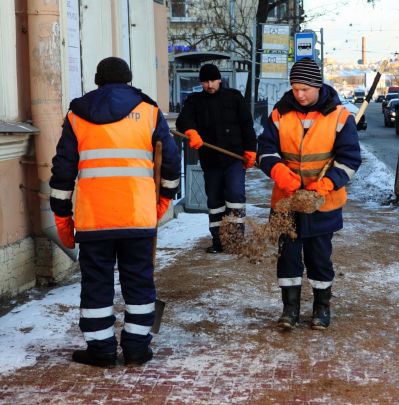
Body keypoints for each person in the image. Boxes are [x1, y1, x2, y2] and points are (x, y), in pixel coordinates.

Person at [49, 57, 181, 367]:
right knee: (139, 283)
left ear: (97, 80)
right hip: (137, 216)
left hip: (94, 220)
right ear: (129, 79)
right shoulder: (149, 112)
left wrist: (62, 216)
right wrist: (162, 202)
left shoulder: (78, 115)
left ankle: (102, 350)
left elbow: (62, 172)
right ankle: (137, 349)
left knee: (96, 285)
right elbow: (171, 163)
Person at [257, 58, 362, 330]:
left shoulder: (340, 117)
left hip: (322, 204)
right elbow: (266, 150)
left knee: (318, 258)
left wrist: (327, 184)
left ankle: (321, 308)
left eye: (304, 89)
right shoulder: (280, 114)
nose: (299, 95)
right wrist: (278, 171)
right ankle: (289, 310)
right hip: (286, 203)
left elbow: (349, 160)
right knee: (288, 258)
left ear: (317, 86)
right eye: (294, 89)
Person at [176, 63, 257, 253]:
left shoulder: (234, 97)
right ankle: (219, 242)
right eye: (205, 82)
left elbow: (247, 125)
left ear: (219, 79)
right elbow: (183, 120)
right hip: (210, 160)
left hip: (234, 157)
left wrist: (251, 150)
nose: (209, 85)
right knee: (214, 201)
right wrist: (191, 131)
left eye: (212, 80)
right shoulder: (195, 101)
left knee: (235, 195)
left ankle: (236, 240)